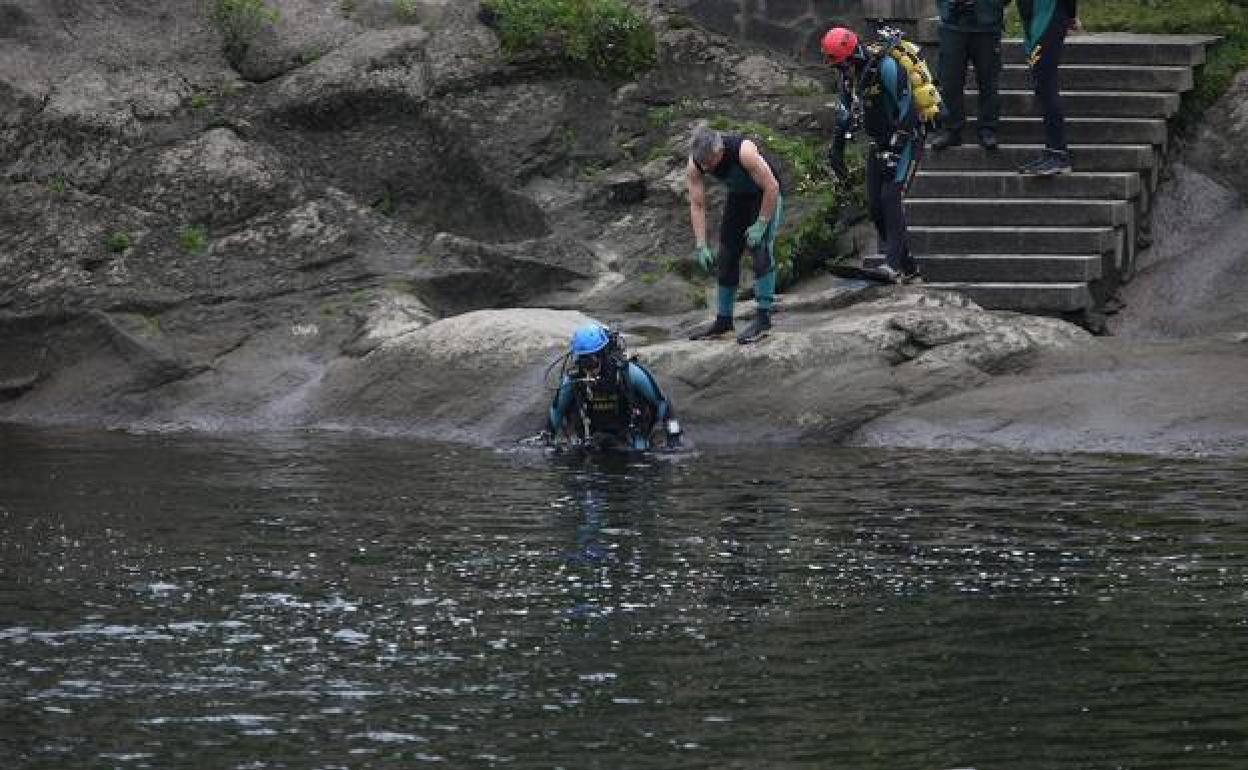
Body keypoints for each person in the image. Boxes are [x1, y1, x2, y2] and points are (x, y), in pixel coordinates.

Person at [824, 26, 924, 284]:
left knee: (891, 197)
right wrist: (837, 150)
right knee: (875, 207)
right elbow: (844, 114)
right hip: (878, 142)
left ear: (851, 54)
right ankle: (908, 265)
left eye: (841, 63)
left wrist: (895, 149)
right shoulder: (850, 77)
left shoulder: (886, 67)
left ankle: (892, 266)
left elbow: (909, 109)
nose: (839, 69)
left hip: (907, 138)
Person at [686, 124, 785, 345]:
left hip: (765, 195)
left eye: (709, 163)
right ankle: (724, 321)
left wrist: (761, 224)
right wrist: (701, 244)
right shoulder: (696, 163)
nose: (706, 168)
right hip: (739, 197)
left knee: (760, 250)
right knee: (727, 255)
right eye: (702, 164)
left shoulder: (744, 151)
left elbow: (772, 187)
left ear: (719, 151)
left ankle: (764, 318)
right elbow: (697, 204)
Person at [546, 323, 680, 452]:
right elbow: (557, 411)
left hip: (630, 434)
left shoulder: (628, 373)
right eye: (583, 362)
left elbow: (662, 402)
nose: (588, 370)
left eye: (591, 362)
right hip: (592, 438)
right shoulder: (574, 379)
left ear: (603, 355)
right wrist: (548, 436)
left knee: (638, 455)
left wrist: (673, 438)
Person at [931, 0, 1010, 151]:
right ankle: (951, 129)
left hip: (987, 25)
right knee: (949, 81)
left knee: (989, 81)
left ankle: (988, 129)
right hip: (953, 23)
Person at [1017, 0, 1079, 175]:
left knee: (1047, 85)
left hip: (1048, 16)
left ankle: (1059, 154)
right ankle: (1052, 150)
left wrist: (1071, 14)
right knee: (1041, 88)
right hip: (1033, 20)